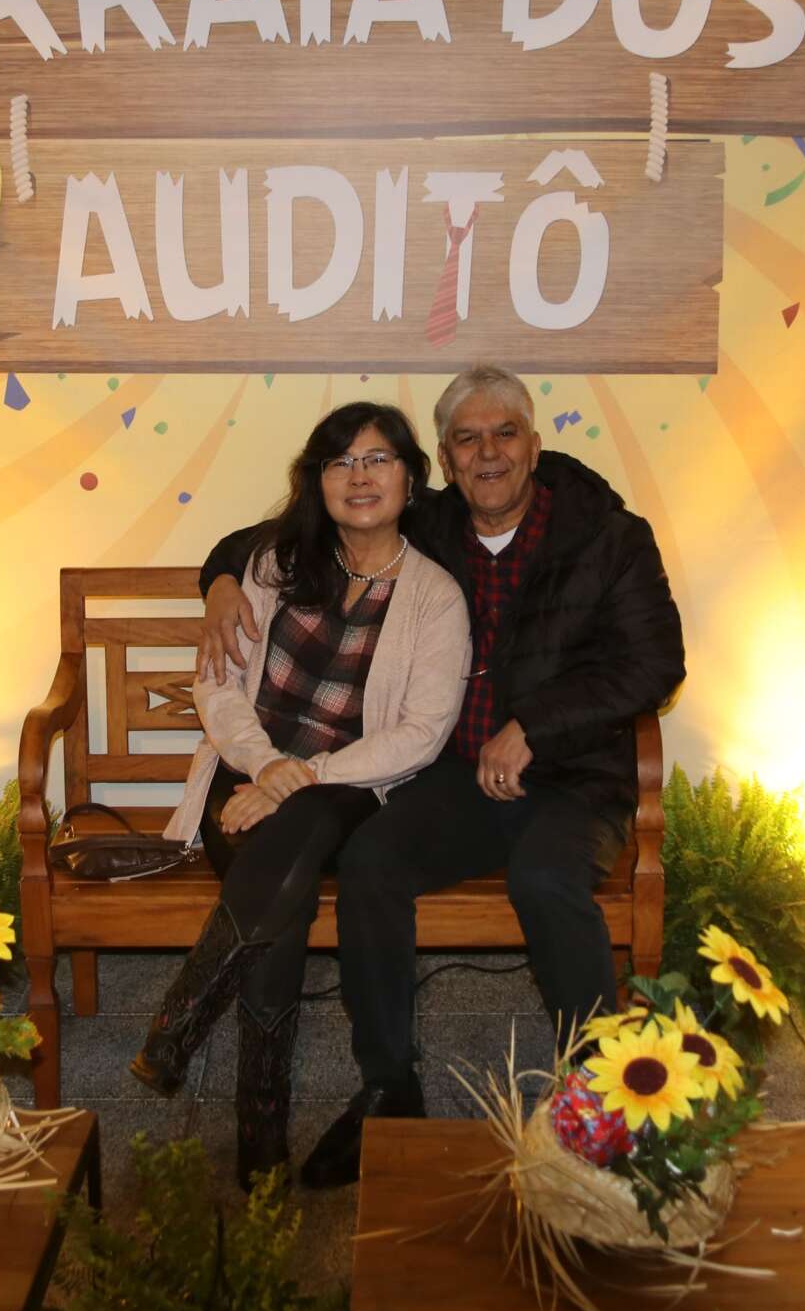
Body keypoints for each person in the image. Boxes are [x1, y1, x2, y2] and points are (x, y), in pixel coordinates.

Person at [198, 366, 685, 1188]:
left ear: (534, 444)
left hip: (575, 777)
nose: (488, 452)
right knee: (373, 860)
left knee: (545, 880)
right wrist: (217, 580)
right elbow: (289, 523)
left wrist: (537, 727)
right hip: (462, 775)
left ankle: (598, 1103)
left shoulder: (609, 536)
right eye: (467, 438)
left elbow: (656, 660)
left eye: (504, 433)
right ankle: (389, 1088)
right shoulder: (433, 519)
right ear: (448, 461)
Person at [134, 401, 470, 1189]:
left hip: (347, 784)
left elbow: (421, 733)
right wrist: (264, 764)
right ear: (316, 480)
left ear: (411, 479)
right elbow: (216, 685)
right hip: (247, 777)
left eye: (379, 459)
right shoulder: (273, 566)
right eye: (340, 461)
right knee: (279, 886)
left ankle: (192, 1035)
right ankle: (260, 1127)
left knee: (299, 826)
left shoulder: (435, 596)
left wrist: (307, 773)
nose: (360, 476)